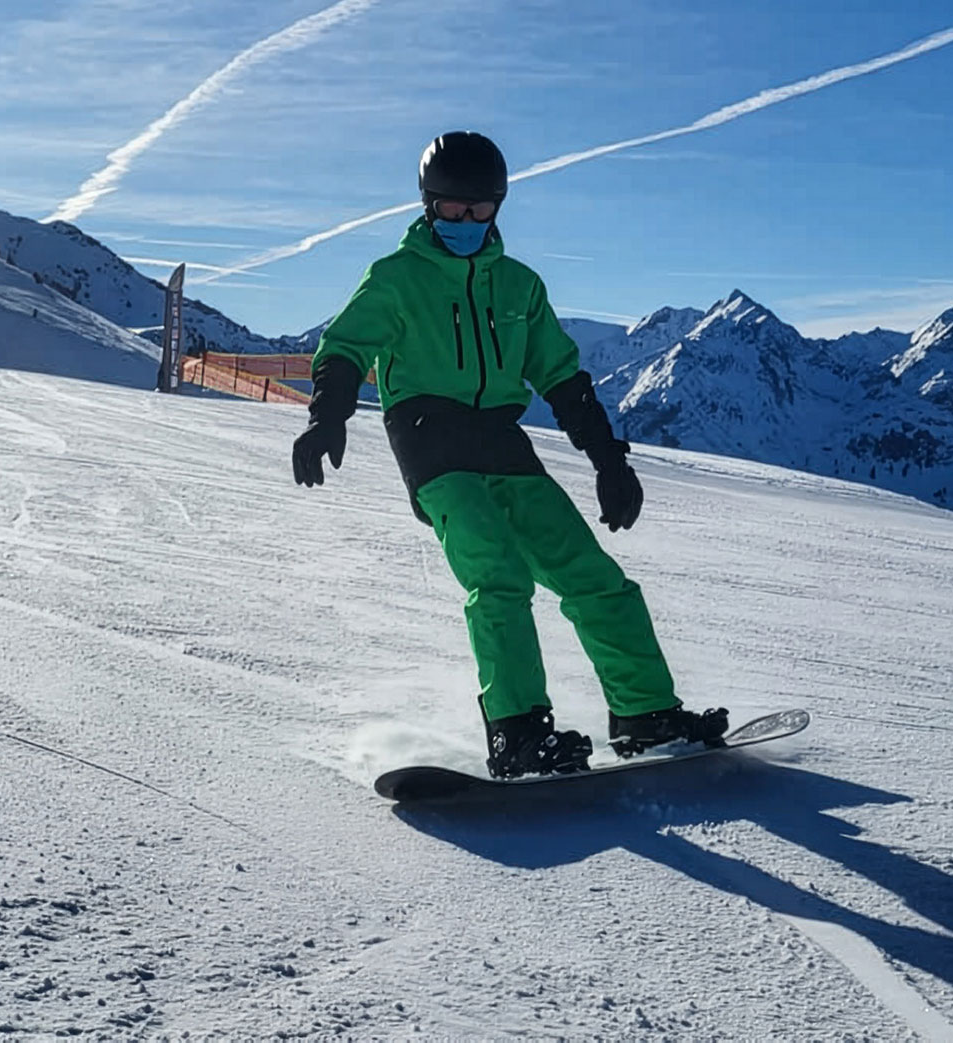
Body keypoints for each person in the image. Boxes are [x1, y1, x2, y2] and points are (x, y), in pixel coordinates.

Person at [292, 130, 728, 779]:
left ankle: (644, 713)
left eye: (479, 210)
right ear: (427, 204)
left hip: (502, 438)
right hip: (429, 436)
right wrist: (326, 419)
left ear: (497, 206)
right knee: (497, 575)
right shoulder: (396, 278)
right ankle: (518, 732)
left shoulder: (519, 286)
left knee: (594, 577)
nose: (465, 222)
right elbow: (346, 348)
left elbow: (562, 377)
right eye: (450, 209)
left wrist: (609, 460)